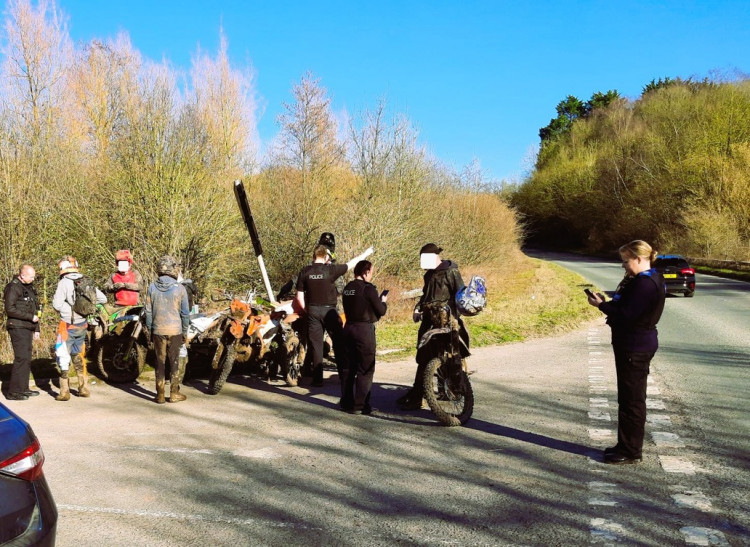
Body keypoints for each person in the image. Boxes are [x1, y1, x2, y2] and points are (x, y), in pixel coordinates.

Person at [587, 240, 666, 465]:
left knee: (632, 400)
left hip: (635, 346)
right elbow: (626, 309)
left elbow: (626, 315)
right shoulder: (647, 279)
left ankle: (631, 451)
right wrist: (608, 304)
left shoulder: (644, 284)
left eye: (625, 261)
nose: (623, 266)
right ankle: (626, 445)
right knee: (629, 398)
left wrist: (601, 305)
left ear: (639, 259)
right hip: (636, 344)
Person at [397, 243, 467, 410]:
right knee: (423, 358)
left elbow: (461, 296)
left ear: (435, 256)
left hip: (448, 321)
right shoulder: (428, 276)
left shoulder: (451, 272)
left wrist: (457, 313)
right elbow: (425, 297)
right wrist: (417, 308)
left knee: (451, 357)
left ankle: (453, 391)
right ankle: (417, 395)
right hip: (429, 322)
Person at [295, 243, 373, 387]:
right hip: (329, 311)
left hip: (313, 310)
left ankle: (317, 380)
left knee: (316, 346)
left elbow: (299, 297)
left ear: (313, 256)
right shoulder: (330, 270)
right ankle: (344, 376)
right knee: (339, 342)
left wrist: (308, 310)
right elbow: (351, 264)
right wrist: (365, 254)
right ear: (325, 257)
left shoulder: (304, 271)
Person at [52, 256, 107, 401]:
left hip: (67, 324)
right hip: (82, 324)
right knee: (79, 354)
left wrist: (68, 309)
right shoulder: (86, 280)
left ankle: (64, 391)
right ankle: (84, 388)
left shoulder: (64, 282)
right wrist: (84, 309)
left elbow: (57, 305)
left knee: (63, 354)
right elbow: (103, 299)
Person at [341, 260, 387, 414]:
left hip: (348, 329)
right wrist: (383, 302)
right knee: (365, 369)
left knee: (348, 368)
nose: (371, 275)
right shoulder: (368, 289)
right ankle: (360, 406)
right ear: (366, 272)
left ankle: (346, 402)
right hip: (363, 331)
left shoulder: (347, 288)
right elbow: (380, 310)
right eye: (371, 272)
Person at [145, 255, 190, 404]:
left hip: (158, 330)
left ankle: (160, 394)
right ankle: (174, 393)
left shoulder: (152, 287)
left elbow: (148, 312)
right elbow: (185, 313)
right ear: (173, 269)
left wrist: (151, 330)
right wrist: (184, 331)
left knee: (160, 362)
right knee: (174, 361)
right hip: (175, 330)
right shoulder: (180, 288)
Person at [3, 265, 41, 400]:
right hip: (17, 327)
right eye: (31, 276)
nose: (33, 278)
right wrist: (30, 318)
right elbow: (10, 309)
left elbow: (34, 309)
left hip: (27, 327)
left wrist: (36, 328)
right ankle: (14, 392)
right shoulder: (13, 287)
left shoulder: (28, 288)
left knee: (26, 358)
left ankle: (24, 388)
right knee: (21, 358)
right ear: (22, 275)